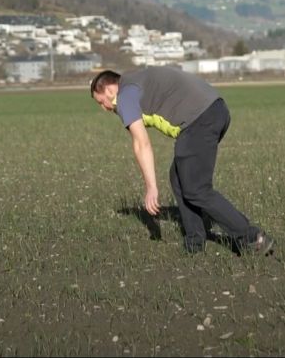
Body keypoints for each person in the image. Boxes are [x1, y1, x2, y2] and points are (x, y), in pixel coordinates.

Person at [90, 66, 274, 255]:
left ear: (110, 90)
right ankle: (194, 241)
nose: (104, 108)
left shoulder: (125, 95)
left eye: (101, 101)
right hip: (216, 110)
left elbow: (141, 144)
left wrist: (151, 187)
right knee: (178, 178)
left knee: (196, 189)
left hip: (199, 119)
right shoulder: (136, 81)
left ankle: (252, 237)